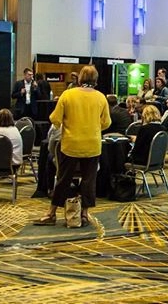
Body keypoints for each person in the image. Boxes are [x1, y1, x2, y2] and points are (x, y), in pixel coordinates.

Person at [35, 65, 110, 227]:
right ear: (95, 80)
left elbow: (55, 119)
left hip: (71, 144)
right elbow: (106, 123)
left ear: (80, 78)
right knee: (89, 180)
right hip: (92, 145)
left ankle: (51, 213)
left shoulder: (68, 95)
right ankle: (84, 214)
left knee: (63, 179)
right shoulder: (101, 97)